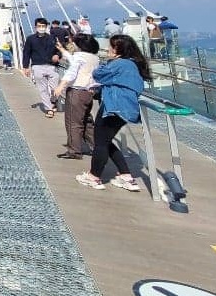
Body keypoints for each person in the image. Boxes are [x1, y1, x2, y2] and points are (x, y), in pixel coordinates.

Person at [75, 35, 152, 191]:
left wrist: (107, 63)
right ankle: (126, 176)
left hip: (113, 107)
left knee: (100, 143)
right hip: (126, 109)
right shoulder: (132, 65)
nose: (108, 49)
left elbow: (98, 74)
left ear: (119, 50)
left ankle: (94, 177)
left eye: (112, 47)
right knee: (106, 141)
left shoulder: (120, 63)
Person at [53, 34, 100, 159]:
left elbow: (72, 71)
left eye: (73, 42)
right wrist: (63, 50)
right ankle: (96, 146)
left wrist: (61, 86)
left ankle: (74, 150)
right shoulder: (94, 57)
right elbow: (75, 62)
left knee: (73, 122)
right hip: (89, 92)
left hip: (77, 92)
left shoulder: (79, 56)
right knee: (87, 121)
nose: (72, 44)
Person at [21, 17, 61, 118]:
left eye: (43, 26)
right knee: (42, 88)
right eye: (39, 26)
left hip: (51, 65)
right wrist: (25, 67)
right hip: (37, 65)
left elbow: (59, 49)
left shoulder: (52, 38)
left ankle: (53, 101)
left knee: (55, 88)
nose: (41, 28)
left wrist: (58, 55)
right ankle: (49, 109)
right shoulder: (30, 39)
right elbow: (26, 53)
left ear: (46, 27)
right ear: (35, 27)